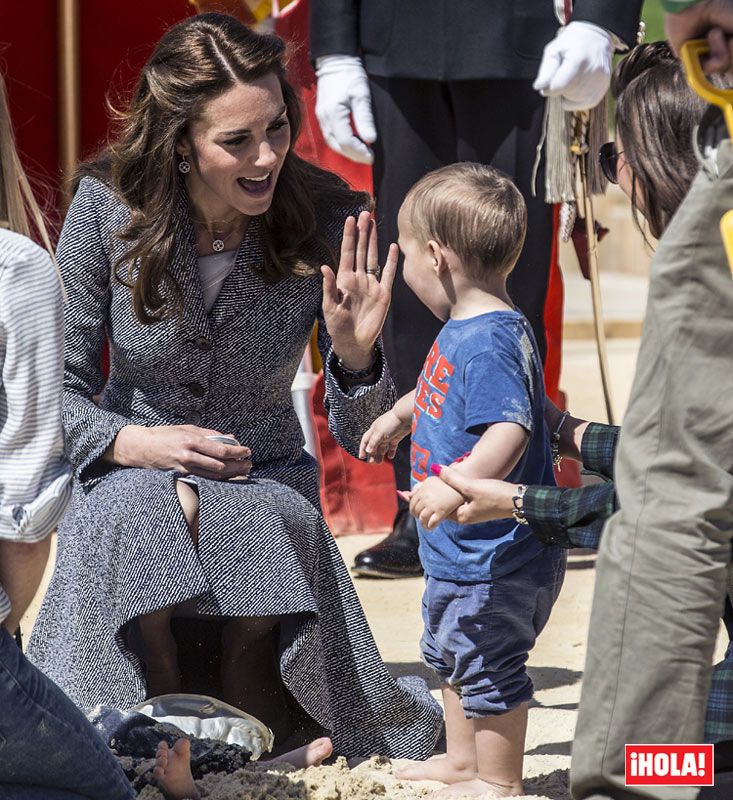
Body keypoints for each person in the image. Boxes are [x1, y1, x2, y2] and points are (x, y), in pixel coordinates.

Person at [26, 12, 442, 760]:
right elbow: (53, 390)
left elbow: (361, 437)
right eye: (237, 140)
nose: (266, 156)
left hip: (264, 466)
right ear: (181, 139)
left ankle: (259, 713)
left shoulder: (329, 215)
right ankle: (143, 716)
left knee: (258, 520)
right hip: (125, 461)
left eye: (277, 129)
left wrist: (353, 358)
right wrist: (129, 441)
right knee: (136, 510)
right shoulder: (106, 207)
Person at [309, 0, 644, 580]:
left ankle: (515, 493)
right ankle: (418, 499)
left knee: (505, 279)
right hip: (396, 36)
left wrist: (598, 15)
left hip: (519, 35)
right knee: (410, 276)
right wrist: (336, 47)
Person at [359, 162, 566, 798]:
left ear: (436, 256)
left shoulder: (493, 339)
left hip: (498, 557)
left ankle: (499, 778)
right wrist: (400, 414)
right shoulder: (469, 328)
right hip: (459, 554)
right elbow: (438, 385)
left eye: (407, 254)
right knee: (448, 653)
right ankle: (460, 759)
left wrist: (459, 483)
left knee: (489, 665)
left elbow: (511, 429)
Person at [567, 18, 733, 800]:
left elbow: (672, 489)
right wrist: (567, 435)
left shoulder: (709, 243)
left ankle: (644, 780)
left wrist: (516, 499)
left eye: (610, 156)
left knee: (677, 751)